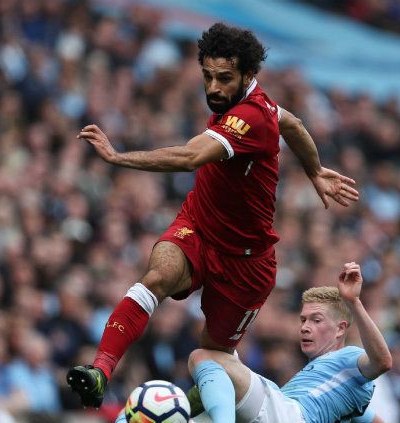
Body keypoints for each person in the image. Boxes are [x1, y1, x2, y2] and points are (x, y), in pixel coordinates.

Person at [67, 22, 359, 419]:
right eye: (208, 76)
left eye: (225, 78)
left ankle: (178, 411)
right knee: (158, 276)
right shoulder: (266, 108)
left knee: (213, 355)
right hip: (199, 228)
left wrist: (119, 158)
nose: (214, 88)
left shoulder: (253, 116)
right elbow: (294, 124)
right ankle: (100, 370)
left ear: (248, 76)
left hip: (247, 264)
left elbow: (190, 157)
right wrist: (315, 169)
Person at [115, 261, 390, 423]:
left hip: (290, 416)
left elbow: (382, 361)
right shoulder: (335, 385)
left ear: (341, 328)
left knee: (205, 357)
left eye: (315, 320)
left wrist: (353, 302)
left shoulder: (349, 359)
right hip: (280, 411)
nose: (305, 327)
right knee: (212, 385)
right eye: (303, 320)